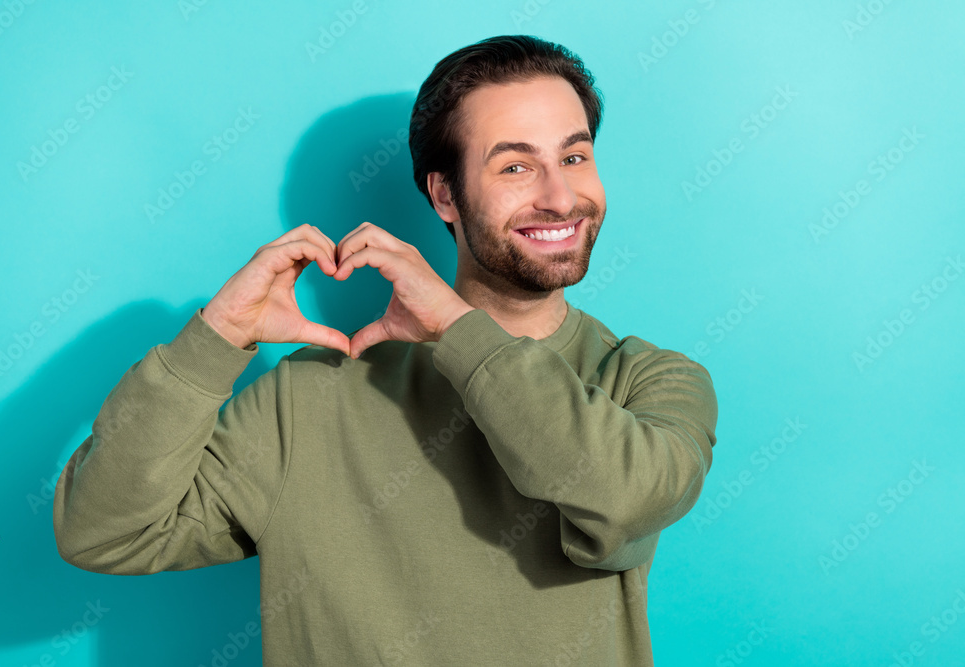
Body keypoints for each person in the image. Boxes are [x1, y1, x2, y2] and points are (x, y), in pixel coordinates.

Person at [54, 34, 717, 666]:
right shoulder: (309, 396)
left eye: (574, 156)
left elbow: (620, 494)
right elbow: (103, 530)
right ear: (444, 194)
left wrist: (458, 331)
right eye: (516, 165)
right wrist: (215, 339)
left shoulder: (652, 381)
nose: (560, 196)